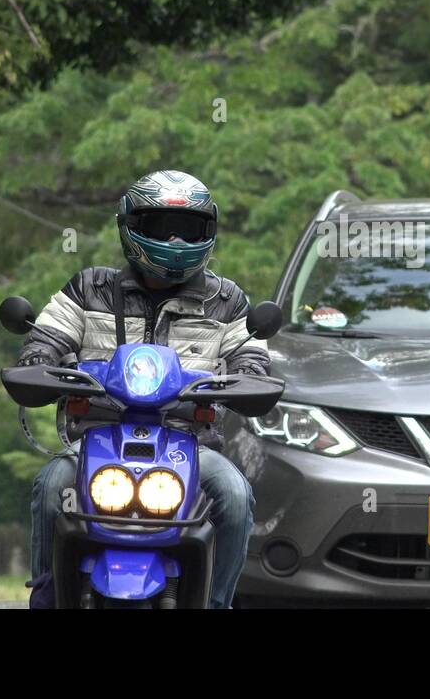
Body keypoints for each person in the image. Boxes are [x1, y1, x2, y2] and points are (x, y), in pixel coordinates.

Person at [19, 170, 269, 608]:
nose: (174, 242)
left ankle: (216, 603)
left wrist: (250, 377)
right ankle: (47, 596)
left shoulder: (228, 302)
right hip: (97, 442)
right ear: (130, 228)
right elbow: (45, 338)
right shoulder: (88, 289)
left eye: (187, 230)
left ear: (208, 233)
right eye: (160, 228)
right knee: (52, 480)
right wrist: (37, 362)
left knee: (233, 492)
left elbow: (252, 358)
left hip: (189, 446)